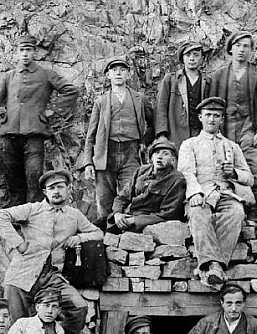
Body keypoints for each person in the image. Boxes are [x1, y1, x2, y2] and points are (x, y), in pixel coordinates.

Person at [0, 169, 103, 334]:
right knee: (19, 325)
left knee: (79, 307)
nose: (56, 191)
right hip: (21, 275)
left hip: (51, 278)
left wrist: (79, 238)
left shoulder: (74, 215)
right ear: (45, 192)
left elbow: (98, 233)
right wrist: (19, 243)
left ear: (69, 189)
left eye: (60, 186)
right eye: (51, 188)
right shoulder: (33, 209)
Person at [0, 35, 78, 207]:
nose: (25, 54)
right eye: (22, 50)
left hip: (34, 135)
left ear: (35, 52)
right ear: (17, 53)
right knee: (13, 178)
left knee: (34, 177)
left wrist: (53, 110)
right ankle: (17, 218)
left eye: (29, 50)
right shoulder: (9, 77)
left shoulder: (46, 74)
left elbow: (70, 91)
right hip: (10, 134)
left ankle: (34, 217)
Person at [177, 97, 254, 287]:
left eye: (216, 116)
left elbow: (249, 178)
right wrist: (194, 193)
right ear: (200, 118)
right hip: (202, 192)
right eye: (208, 115)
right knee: (198, 214)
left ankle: (212, 267)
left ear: (222, 120)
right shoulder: (190, 144)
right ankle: (214, 265)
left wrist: (234, 173)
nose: (212, 119)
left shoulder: (232, 146)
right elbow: (186, 172)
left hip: (227, 193)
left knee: (236, 213)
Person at [83, 56, 155, 221]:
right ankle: (106, 235)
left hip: (131, 152)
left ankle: (127, 234)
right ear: (108, 75)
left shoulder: (139, 99)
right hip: (106, 152)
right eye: (114, 70)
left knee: (130, 193)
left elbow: (153, 124)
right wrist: (88, 162)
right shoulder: (101, 101)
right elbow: (91, 134)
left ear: (128, 74)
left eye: (122, 70)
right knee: (104, 198)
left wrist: (144, 141)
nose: (118, 73)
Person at [208, 31, 257, 213]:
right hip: (226, 128)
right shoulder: (219, 75)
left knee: (256, 168)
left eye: (246, 46)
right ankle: (230, 209)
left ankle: (256, 213)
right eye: (237, 46)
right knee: (225, 167)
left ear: (251, 51)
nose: (241, 50)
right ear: (230, 49)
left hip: (249, 128)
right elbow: (211, 105)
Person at [106, 140, 186, 233]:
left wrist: (135, 220)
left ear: (173, 160)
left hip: (144, 224)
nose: (159, 157)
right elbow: (122, 197)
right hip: (124, 218)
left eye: (165, 154)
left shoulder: (177, 180)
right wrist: (117, 214)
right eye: (156, 153)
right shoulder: (141, 171)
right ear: (151, 158)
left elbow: (168, 214)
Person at [155, 41, 211, 150]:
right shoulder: (171, 80)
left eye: (196, 55)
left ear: (202, 59)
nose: (192, 58)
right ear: (182, 58)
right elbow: (160, 108)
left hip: (201, 134)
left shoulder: (208, 82)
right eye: (188, 55)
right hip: (176, 134)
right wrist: (161, 134)